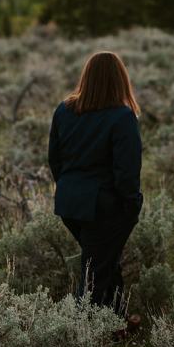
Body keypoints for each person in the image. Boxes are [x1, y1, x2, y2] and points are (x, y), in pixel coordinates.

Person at [48, 50, 144, 327]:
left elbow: (55, 159)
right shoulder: (122, 117)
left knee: (103, 262)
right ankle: (84, 332)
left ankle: (116, 322)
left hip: (70, 204)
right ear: (120, 79)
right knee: (95, 273)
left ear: (86, 77)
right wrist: (132, 204)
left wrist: (68, 187)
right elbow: (127, 172)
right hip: (105, 207)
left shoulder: (65, 110)